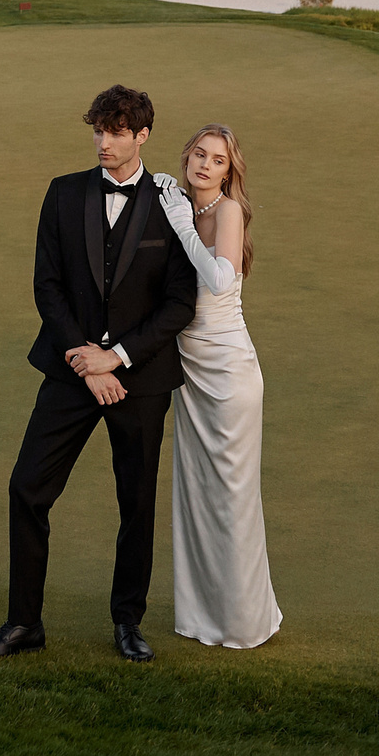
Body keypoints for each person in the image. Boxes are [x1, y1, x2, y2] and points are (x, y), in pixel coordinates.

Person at [0, 84, 201, 664]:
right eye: (98, 130)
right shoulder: (64, 194)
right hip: (73, 373)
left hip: (138, 379)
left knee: (136, 502)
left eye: (117, 132)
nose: (105, 142)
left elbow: (179, 304)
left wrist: (116, 358)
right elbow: (47, 285)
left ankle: (128, 623)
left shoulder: (173, 205)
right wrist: (85, 361)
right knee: (27, 487)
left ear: (142, 135)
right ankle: (23, 624)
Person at [149, 124, 282, 648]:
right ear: (187, 156)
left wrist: (181, 220)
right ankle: (204, 617)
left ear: (230, 172)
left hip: (228, 372)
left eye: (219, 161)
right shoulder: (180, 205)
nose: (206, 165)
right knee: (198, 494)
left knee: (231, 496)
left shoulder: (226, 211)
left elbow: (222, 280)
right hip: (190, 372)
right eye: (200, 154)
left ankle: (244, 622)